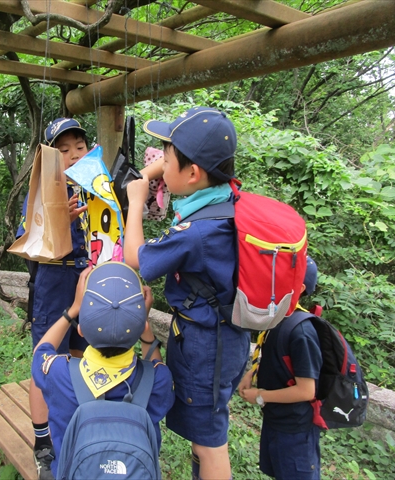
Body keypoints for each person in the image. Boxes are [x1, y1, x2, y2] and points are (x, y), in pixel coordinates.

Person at [124, 107, 251, 480]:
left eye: (165, 158)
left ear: (193, 173)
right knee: (206, 432)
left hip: (206, 349)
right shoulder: (230, 204)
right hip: (228, 339)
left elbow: (136, 257)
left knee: (209, 442)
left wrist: (135, 202)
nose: (160, 163)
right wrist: (149, 173)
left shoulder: (195, 232)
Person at [31, 261, 175, 479]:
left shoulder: (59, 374)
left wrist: (73, 310)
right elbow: (157, 365)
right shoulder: (158, 380)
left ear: (80, 329)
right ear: (141, 327)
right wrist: (144, 327)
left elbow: (42, 350)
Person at [16, 118, 90, 479]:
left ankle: (77, 425)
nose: (73, 155)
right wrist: (58, 217)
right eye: (63, 151)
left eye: (79, 147)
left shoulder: (100, 187)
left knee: (83, 355)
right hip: (55, 281)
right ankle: (44, 442)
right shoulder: (41, 193)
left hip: (89, 277)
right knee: (46, 360)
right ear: (50, 159)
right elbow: (28, 244)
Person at [238, 256, 322, 479]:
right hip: (275, 421)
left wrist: (260, 396)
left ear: (300, 287)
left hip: (294, 430)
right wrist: (252, 372)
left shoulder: (301, 332)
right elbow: (273, 356)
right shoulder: (278, 317)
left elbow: (307, 391)